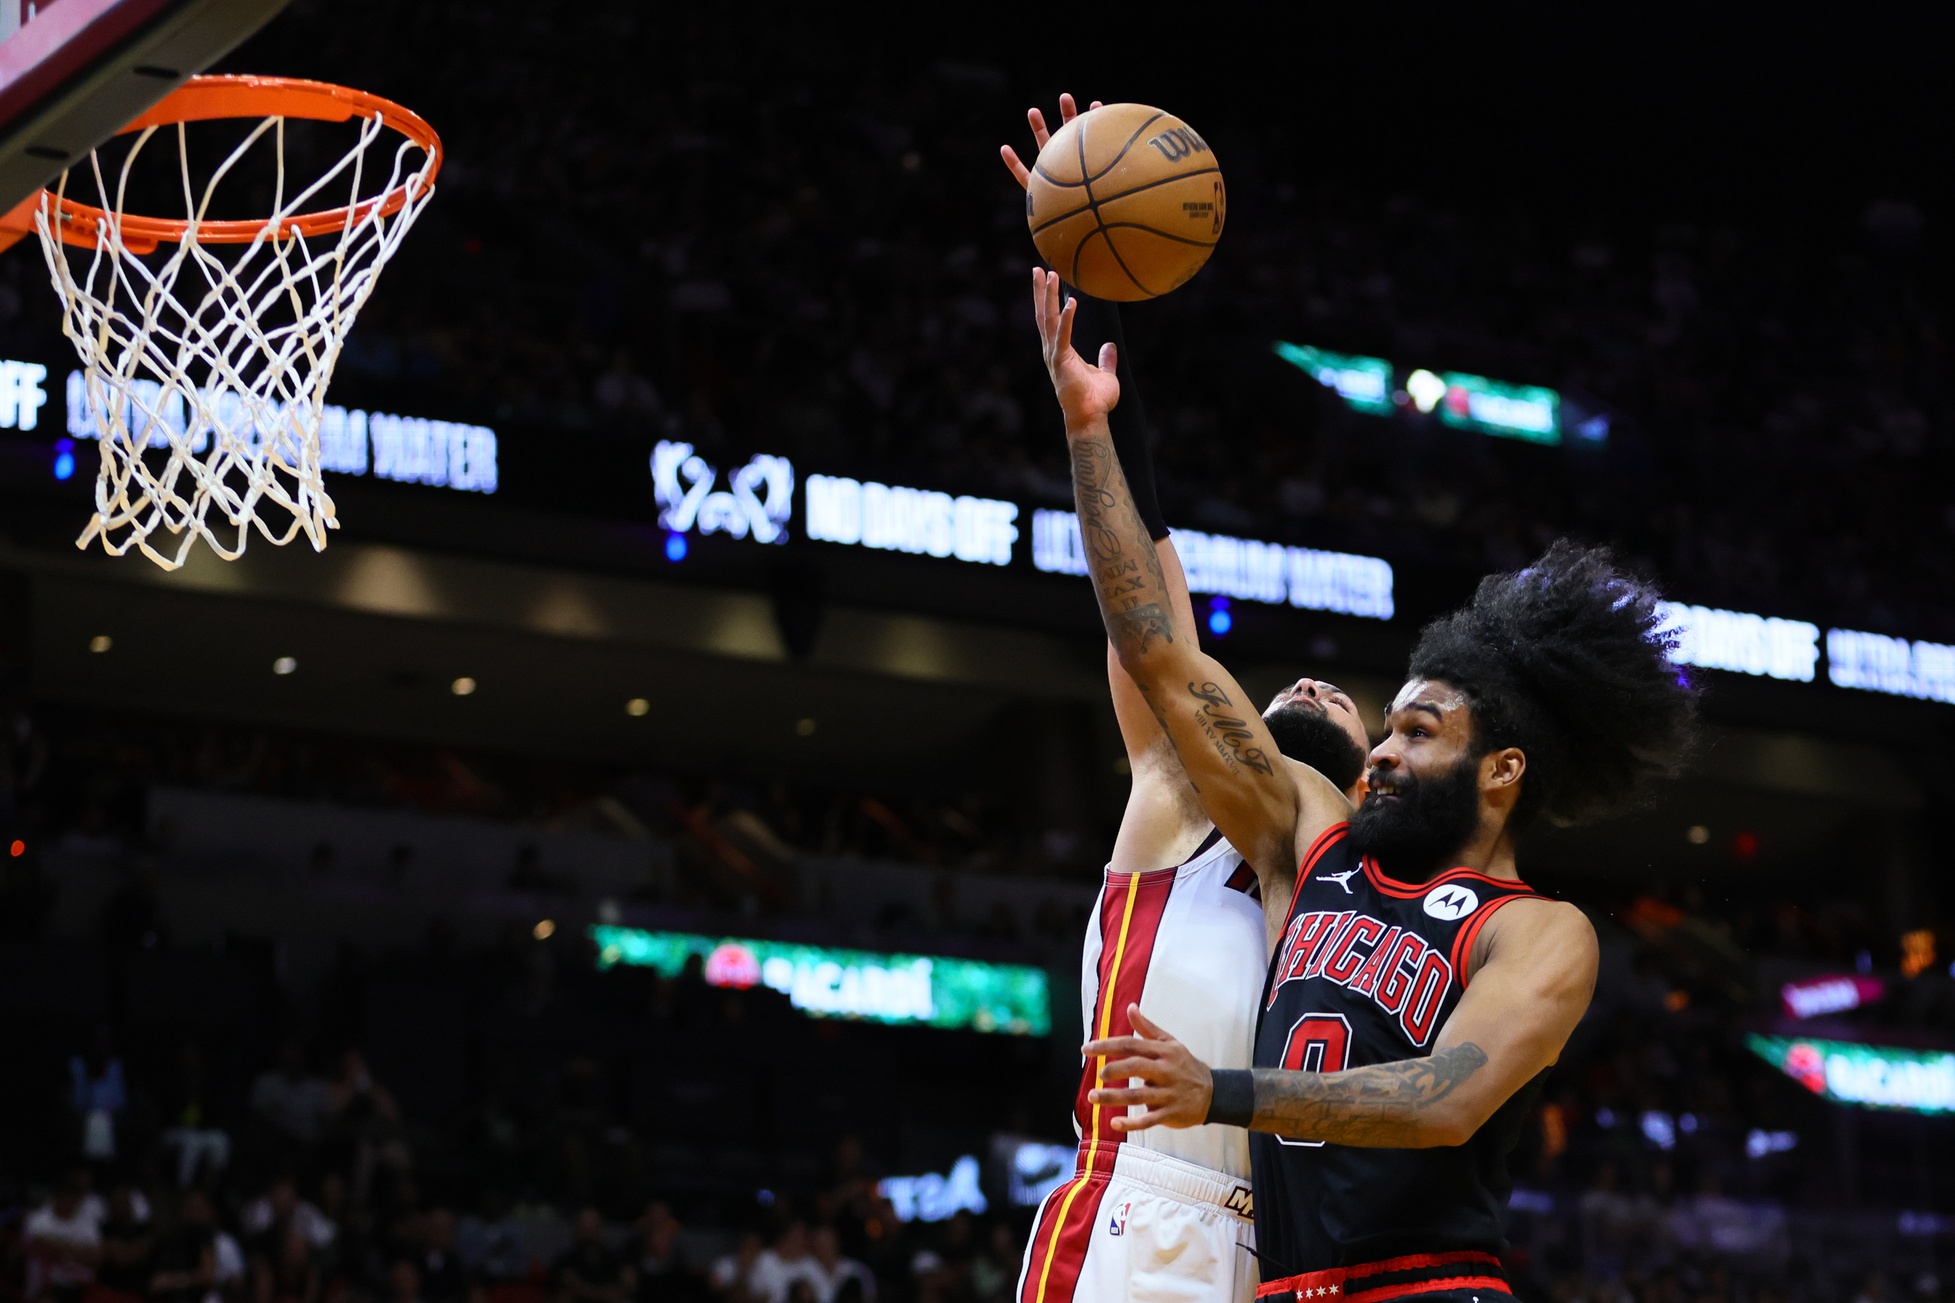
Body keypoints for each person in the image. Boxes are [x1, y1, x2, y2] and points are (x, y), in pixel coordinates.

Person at [1028, 266, 1699, 1300]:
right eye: (1380, 728)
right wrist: (1091, 424)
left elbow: (1439, 1099)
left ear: (1501, 767)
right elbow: (1158, 647)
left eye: (1415, 730)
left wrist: (1220, 1090)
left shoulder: (1536, 928)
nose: (1383, 749)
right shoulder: (1315, 848)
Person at [999, 95, 1373, 1303]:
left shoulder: (1353, 893)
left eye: (1349, 698)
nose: (1315, 685)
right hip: (1135, 1212)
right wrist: (1096, 334)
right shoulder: (1179, 798)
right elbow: (1147, 598)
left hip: (1278, 1257)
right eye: (1287, 686)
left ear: (1365, 780)